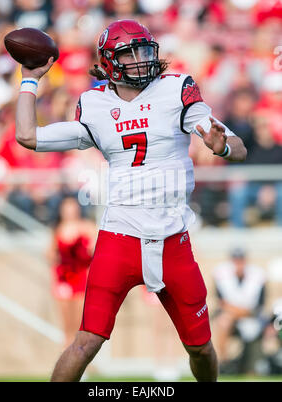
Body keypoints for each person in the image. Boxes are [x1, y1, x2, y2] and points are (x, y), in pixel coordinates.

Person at [15, 19, 247, 382]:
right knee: (86, 342)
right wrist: (30, 78)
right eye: (129, 52)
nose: (140, 59)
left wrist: (223, 145)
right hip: (119, 236)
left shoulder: (176, 89)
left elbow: (238, 147)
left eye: (144, 50)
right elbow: (27, 136)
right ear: (109, 61)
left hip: (173, 236)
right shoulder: (93, 103)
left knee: (200, 346)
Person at [46, 196, 97, 350]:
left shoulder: (87, 227)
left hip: (81, 278)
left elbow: (95, 249)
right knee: (66, 325)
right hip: (64, 279)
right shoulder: (58, 230)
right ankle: (67, 362)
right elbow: (50, 253)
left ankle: (80, 363)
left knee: (81, 324)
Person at [212, 247, 266, 373]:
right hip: (231, 319)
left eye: (240, 260)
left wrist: (235, 312)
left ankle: (234, 363)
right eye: (235, 261)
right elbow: (221, 303)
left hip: (251, 319)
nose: (238, 264)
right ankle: (223, 361)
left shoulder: (258, 277)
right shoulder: (222, 276)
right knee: (223, 321)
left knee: (226, 318)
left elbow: (258, 308)